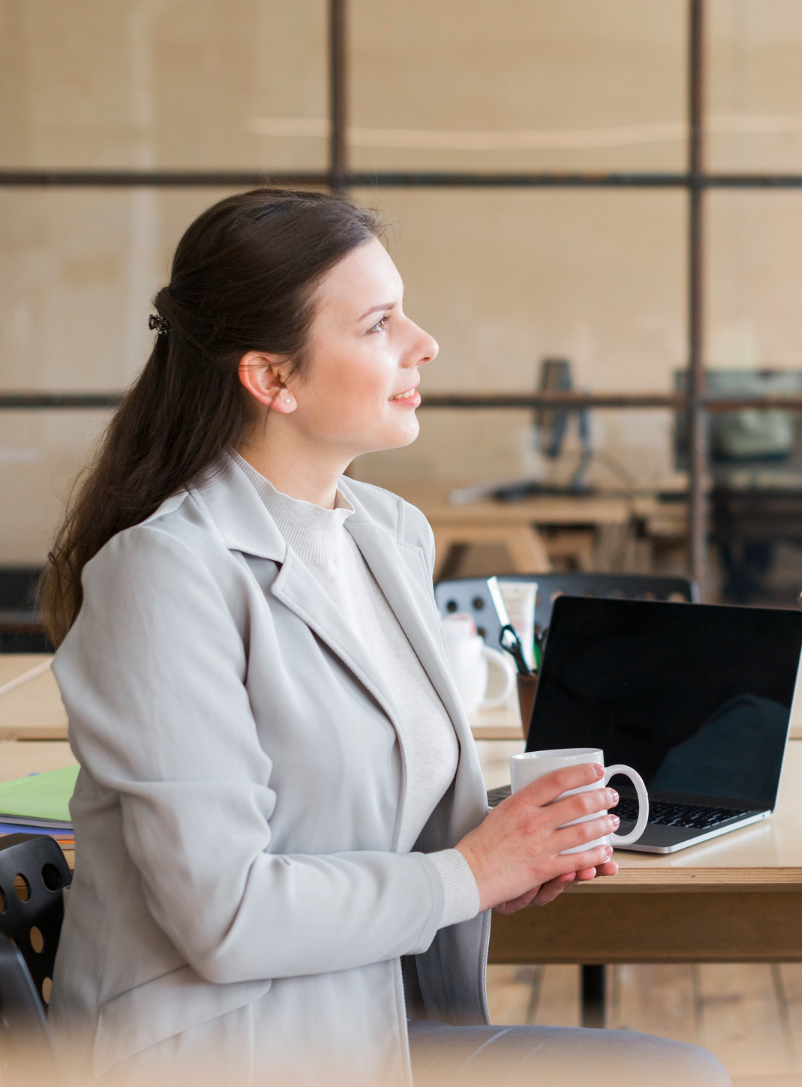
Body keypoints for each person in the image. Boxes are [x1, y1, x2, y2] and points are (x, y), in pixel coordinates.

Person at [42, 189, 729, 1087]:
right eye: (377, 324)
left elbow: (356, 806)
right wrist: (470, 872)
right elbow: (227, 912)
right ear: (271, 377)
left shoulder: (386, 532)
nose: (423, 343)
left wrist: (510, 844)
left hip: (372, 1020)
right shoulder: (165, 572)